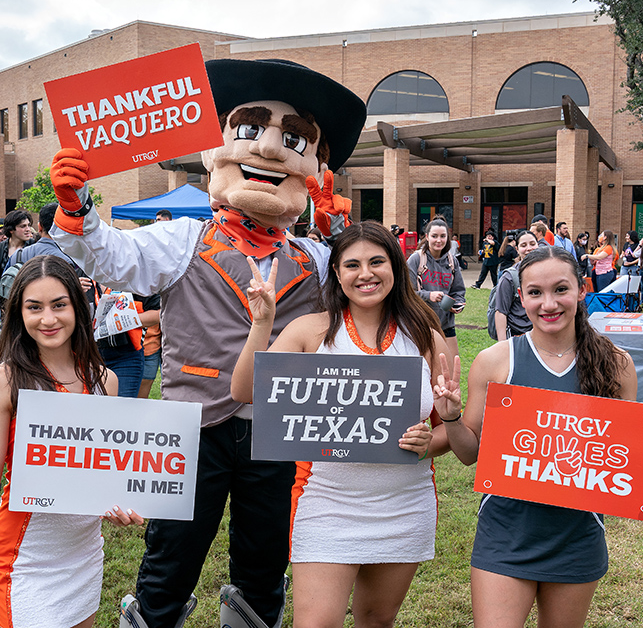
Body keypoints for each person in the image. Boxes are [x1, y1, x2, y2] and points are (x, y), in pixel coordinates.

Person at [49, 57, 367, 628]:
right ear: (214, 151)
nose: (270, 150)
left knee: (265, 557)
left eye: (292, 141)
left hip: (278, 429)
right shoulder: (182, 240)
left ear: (316, 169)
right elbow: (112, 258)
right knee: (172, 555)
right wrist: (77, 208)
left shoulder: (317, 260)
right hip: (192, 428)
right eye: (250, 132)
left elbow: (369, 307)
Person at [231, 221, 455, 628]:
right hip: (326, 501)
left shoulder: (425, 336)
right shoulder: (310, 331)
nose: (365, 273)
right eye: (352, 264)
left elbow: (448, 431)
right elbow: (244, 391)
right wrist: (262, 324)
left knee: (376, 620)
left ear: (396, 267)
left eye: (376, 262)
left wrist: (428, 442)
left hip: (405, 504)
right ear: (336, 273)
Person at [443, 245, 643, 627]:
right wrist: (452, 418)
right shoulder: (496, 361)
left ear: (582, 290)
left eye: (561, 289)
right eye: (535, 292)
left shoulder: (616, 364)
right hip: (506, 533)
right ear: (520, 297)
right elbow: (470, 454)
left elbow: (628, 458)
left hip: (577, 537)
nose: (548, 303)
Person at [0, 255, 141, 628]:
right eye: (34, 307)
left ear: (78, 309)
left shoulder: (105, 381)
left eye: (59, 305)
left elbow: (100, 474)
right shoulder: (3, 380)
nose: (48, 319)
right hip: (24, 558)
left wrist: (121, 503)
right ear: (19, 313)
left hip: (84, 553)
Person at [407, 218, 466, 359]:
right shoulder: (416, 259)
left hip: (446, 324)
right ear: (427, 237)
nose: (438, 240)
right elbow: (406, 293)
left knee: (452, 368)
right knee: (426, 369)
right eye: (434, 236)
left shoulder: (452, 261)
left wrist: (458, 304)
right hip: (422, 323)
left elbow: (458, 291)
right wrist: (429, 295)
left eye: (442, 236)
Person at [492, 230, 539, 341]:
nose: (529, 248)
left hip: (543, 335)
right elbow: (500, 312)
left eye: (532, 244)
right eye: (523, 245)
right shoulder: (509, 277)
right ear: (517, 249)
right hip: (518, 336)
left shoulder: (548, 272)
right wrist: (503, 346)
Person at [0, 209, 34, 298]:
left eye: (29, 225)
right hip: (4, 302)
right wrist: (0, 302)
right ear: (11, 230)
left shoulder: (34, 247)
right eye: (23, 226)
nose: (28, 229)